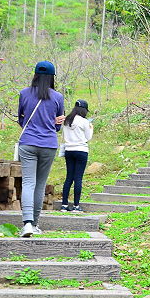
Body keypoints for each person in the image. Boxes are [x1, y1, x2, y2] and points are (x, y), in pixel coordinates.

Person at [17, 61, 64, 237]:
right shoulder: (58, 97)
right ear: (52, 77)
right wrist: (50, 124)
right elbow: (57, 126)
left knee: (28, 183)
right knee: (40, 184)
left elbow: (21, 119)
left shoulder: (24, 93)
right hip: (49, 144)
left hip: (28, 142)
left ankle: (27, 224)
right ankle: (35, 224)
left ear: (35, 75)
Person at [60, 99, 93, 212]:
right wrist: (91, 128)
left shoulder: (67, 120)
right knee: (78, 178)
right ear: (84, 110)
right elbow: (88, 138)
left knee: (69, 177)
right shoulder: (84, 122)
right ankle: (76, 206)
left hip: (69, 150)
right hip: (81, 151)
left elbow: (64, 136)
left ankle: (64, 205)